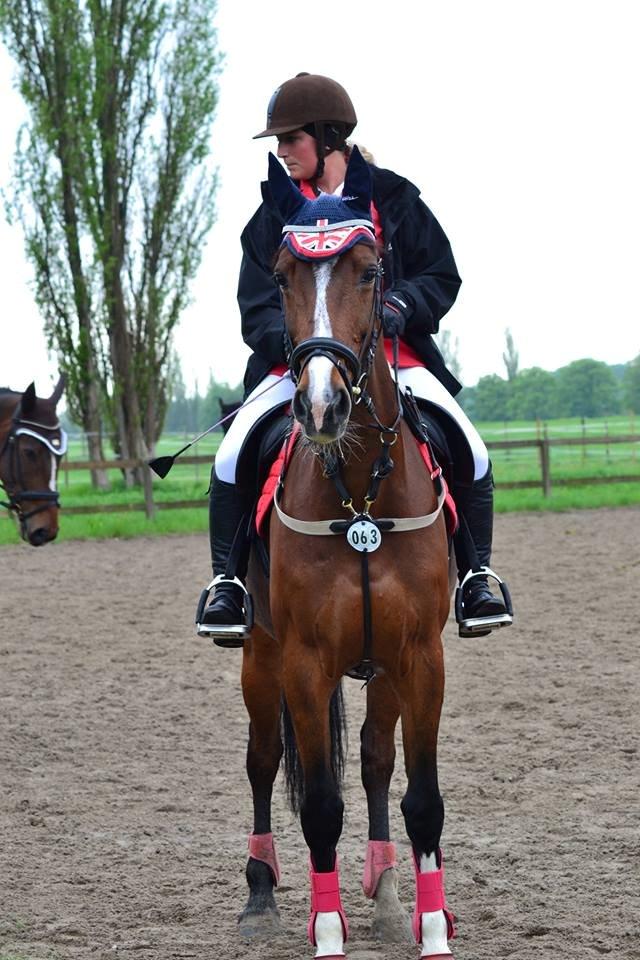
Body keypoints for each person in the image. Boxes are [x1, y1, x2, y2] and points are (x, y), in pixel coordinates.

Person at [199, 72, 512, 644]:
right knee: (230, 455)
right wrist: (301, 346)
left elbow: (441, 275)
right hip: (296, 364)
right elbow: (255, 307)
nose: (281, 150)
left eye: (291, 138)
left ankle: (475, 575)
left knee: (471, 446)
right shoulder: (272, 213)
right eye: (279, 141)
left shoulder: (393, 199)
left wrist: (399, 304)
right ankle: (229, 584)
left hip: (397, 357)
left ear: (328, 137)